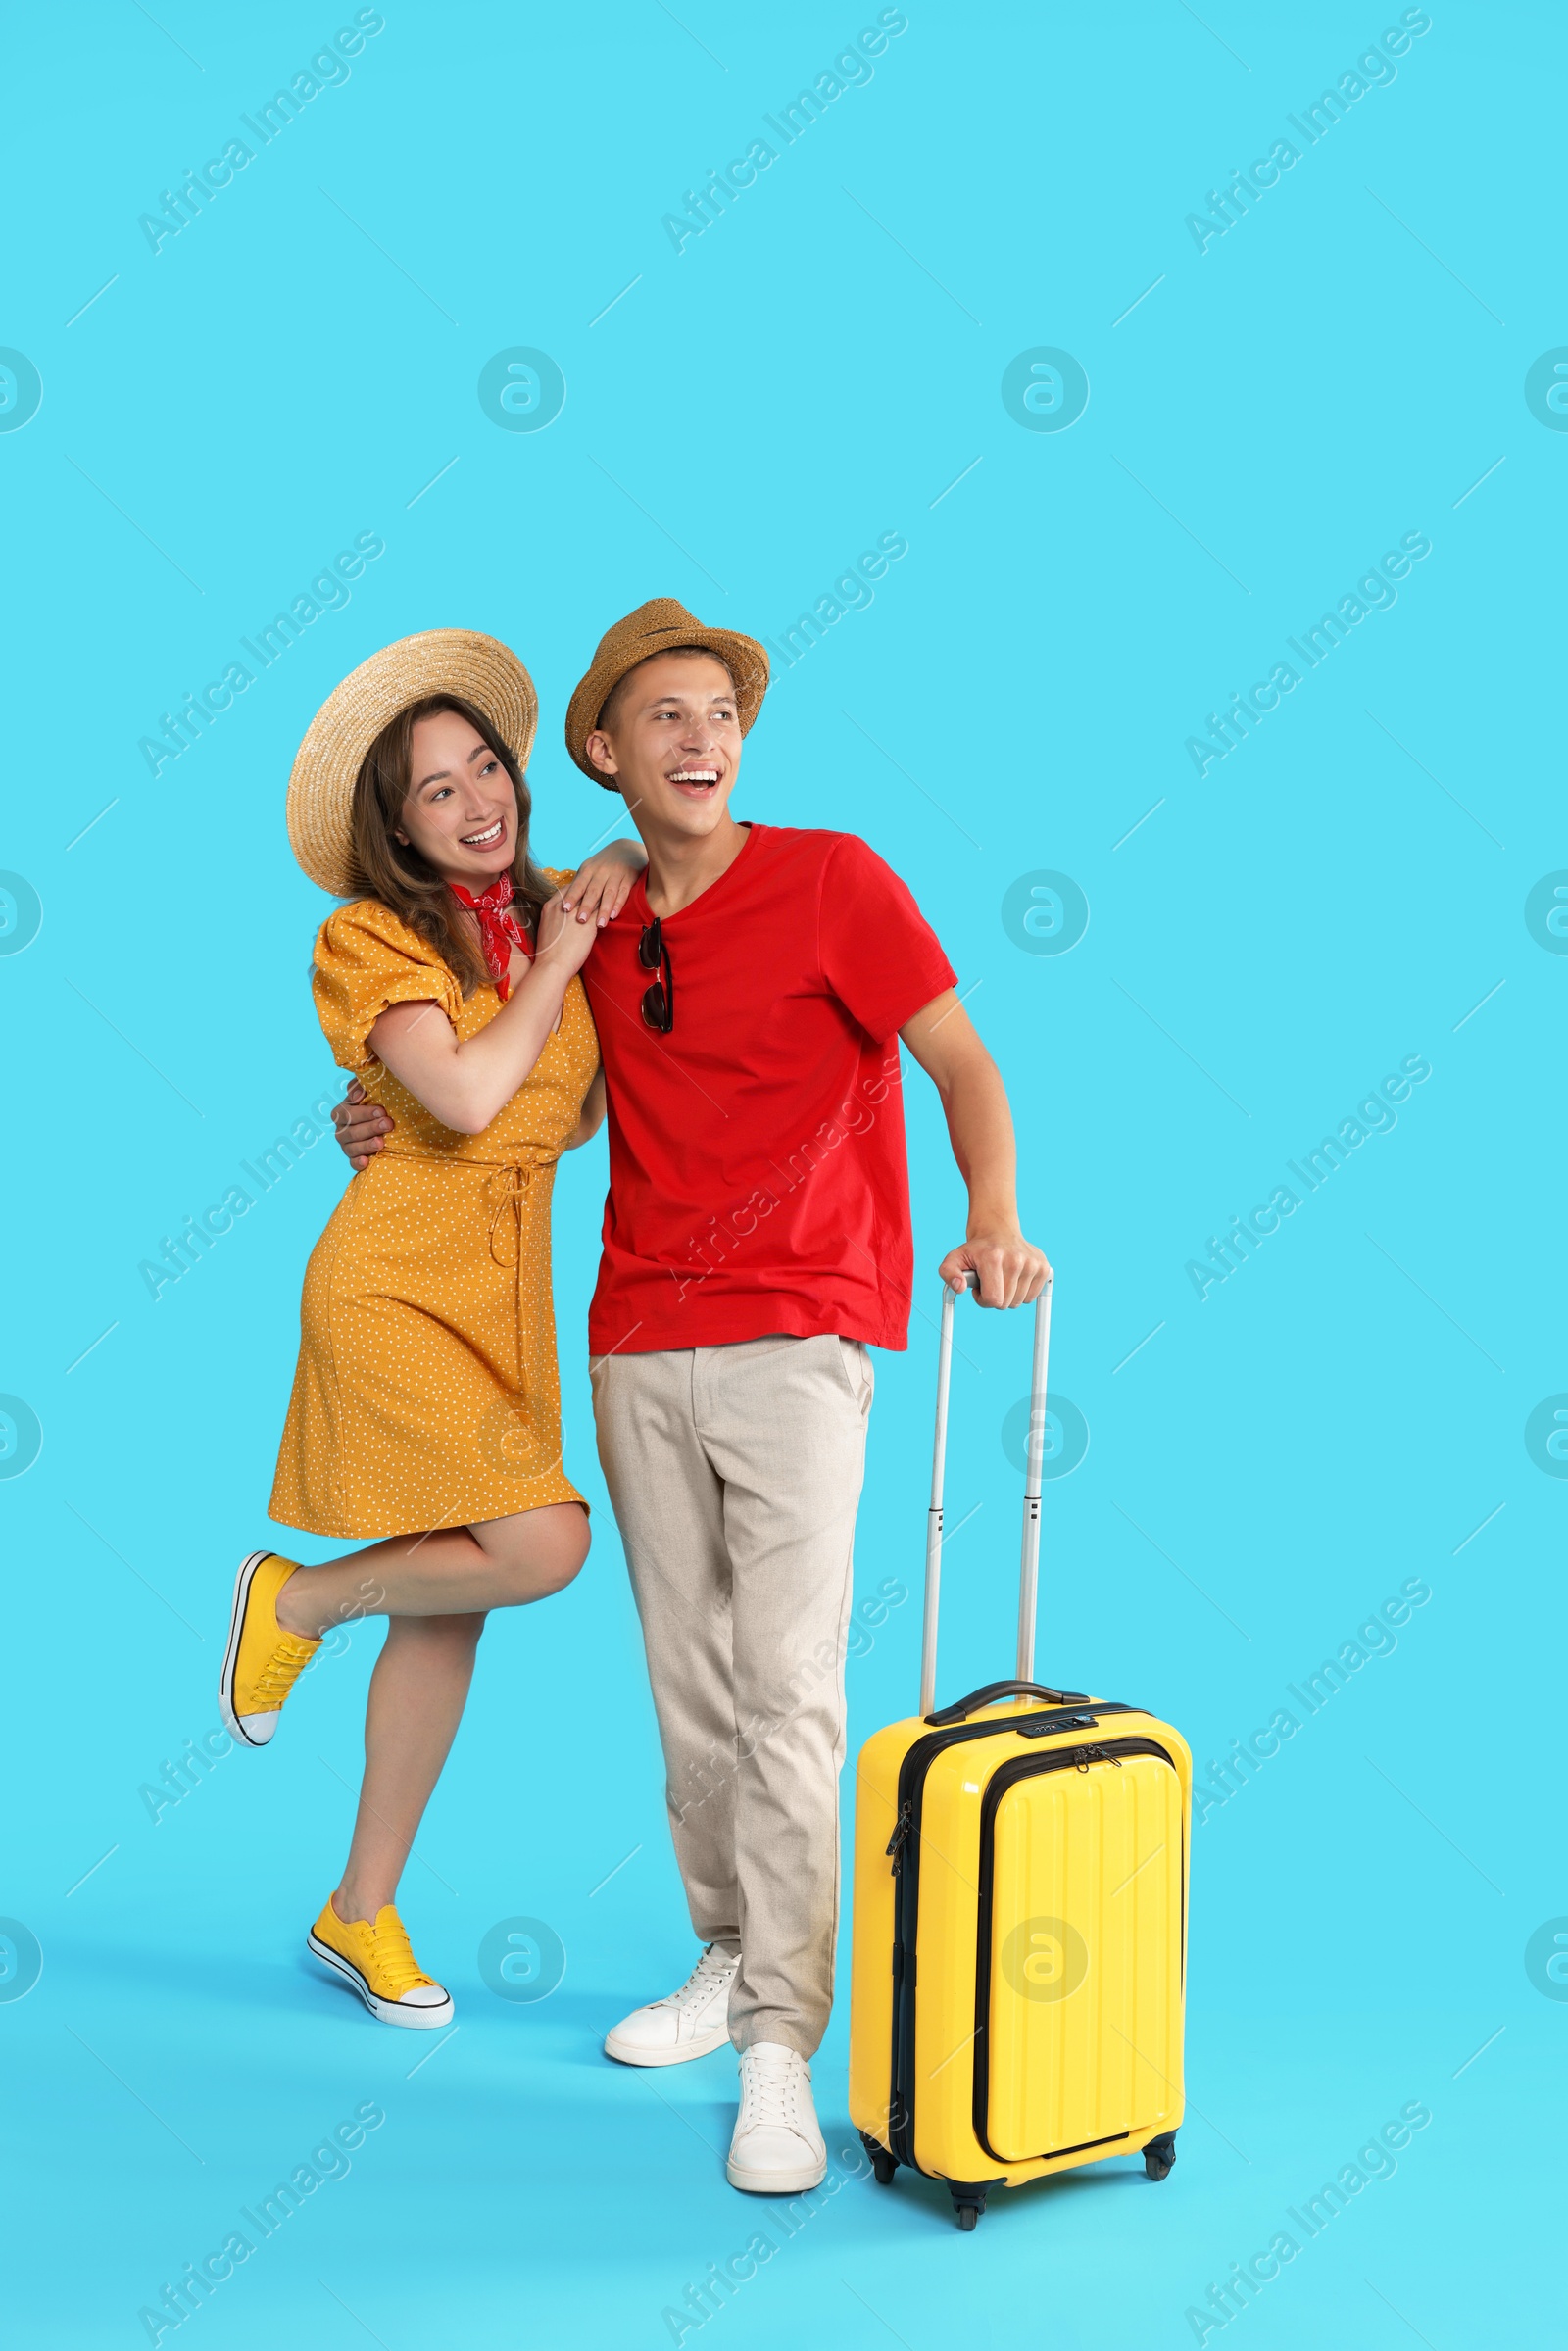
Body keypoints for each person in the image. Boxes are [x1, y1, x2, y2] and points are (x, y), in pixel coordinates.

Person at [333, 600, 1049, 2181]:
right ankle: (729, 1958)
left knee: (790, 1688)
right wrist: (376, 1114)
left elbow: (964, 1062)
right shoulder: (584, 924)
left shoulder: (831, 879)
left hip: (803, 1332)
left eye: (719, 710)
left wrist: (994, 1216)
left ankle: (784, 2042)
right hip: (636, 1339)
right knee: (694, 1696)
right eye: (663, 716)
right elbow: (511, 1090)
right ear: (602, 753)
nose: (701, 737)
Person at [221, 628, 642, 2031]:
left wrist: (591, 919)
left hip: (503, 1282)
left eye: (485, 770)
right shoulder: (371, 936)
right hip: (395, 1272)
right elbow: (463, 1101)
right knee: (542, 1542)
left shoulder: (559, 912)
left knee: (454, 1589)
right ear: (392, 828)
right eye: (434, 792)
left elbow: (564, 1112)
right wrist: (555, 968)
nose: (478, 804)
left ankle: (361, 1910)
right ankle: (289, 1603)